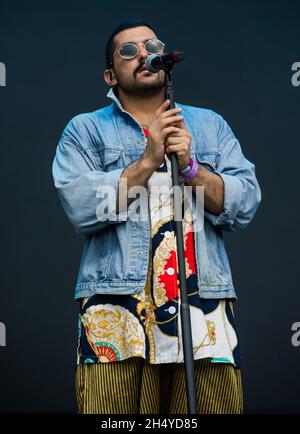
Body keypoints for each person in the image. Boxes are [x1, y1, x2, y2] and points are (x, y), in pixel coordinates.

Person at [52, 19, 261, 414]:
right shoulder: (85, 131)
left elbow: (245, 204)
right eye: (128, 51)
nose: (144, 54)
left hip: (203, 321)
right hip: (117, 319)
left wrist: (193, 169)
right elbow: (82, 207)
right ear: (110, 76)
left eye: (152, 45)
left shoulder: (210, 126)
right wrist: (148, 160)